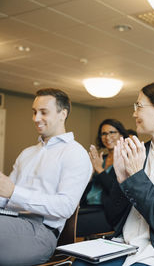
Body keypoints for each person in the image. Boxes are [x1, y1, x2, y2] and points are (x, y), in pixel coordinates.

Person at [73, 81, 154, 266]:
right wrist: (121, 181)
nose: (134, 113)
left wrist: (136, 177)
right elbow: (113, 218)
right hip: (124, 244)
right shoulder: (136, 151)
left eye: (139, 106)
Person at [0, 88, 92, 265]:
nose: (36, 118)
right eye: (34, 112)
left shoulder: (75, 153)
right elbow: (6, 197)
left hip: (41, 233)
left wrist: (13, 192)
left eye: (43, 112)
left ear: (62, 114)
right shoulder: (27, 153)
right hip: (9, 220)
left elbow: (65, 207)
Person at [78, 119, 129, 237]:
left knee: (72, 225)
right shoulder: (102, 158)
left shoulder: (125, 159)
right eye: (104, 134)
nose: (107, 137)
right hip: (88, 207)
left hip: (108, 212)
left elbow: (117, 192)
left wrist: (99, 170)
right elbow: (87, 190)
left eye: (112, 132)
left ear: (121, 135)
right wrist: (90, 174)